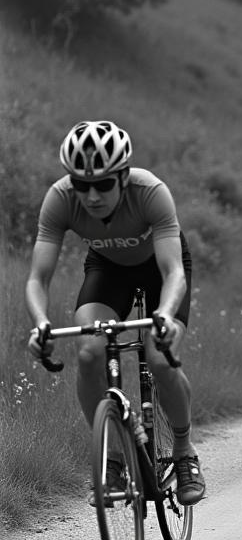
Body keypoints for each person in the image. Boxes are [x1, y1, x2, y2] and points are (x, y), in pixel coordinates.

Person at [25, 120, 206, 504]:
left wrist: (168, 315)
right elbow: (37, 279)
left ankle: (184, 452)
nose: (91, 196)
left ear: (123, 177)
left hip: (160, 268)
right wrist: (40, 323)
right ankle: (113, 460)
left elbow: (174, 271)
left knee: (159, 358)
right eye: (81, 184)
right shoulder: (59, 199)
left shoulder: (150, 192)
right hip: (108, 270)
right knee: (90, 352)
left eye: (104, 184)